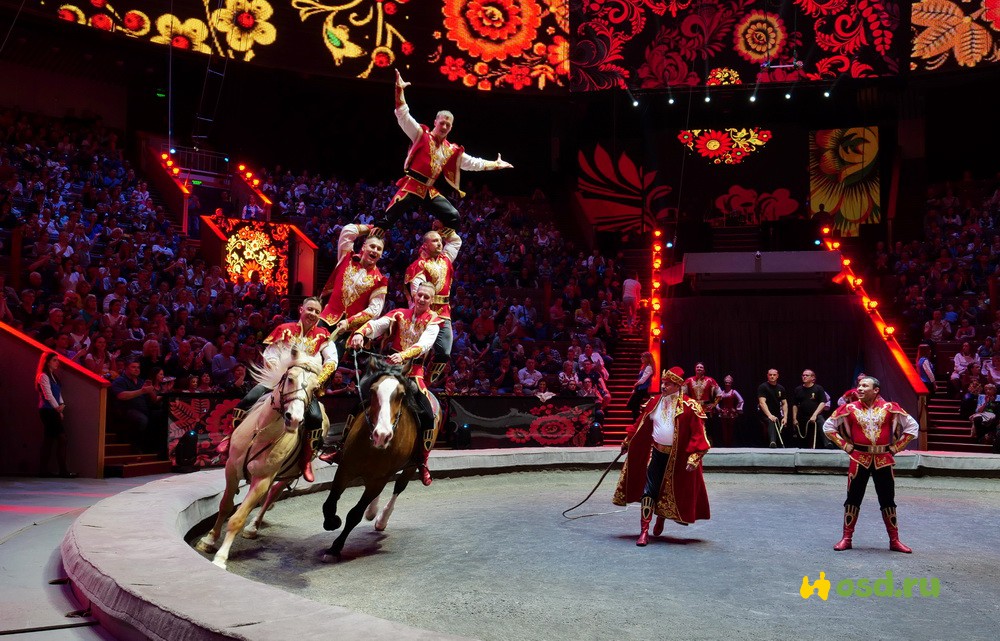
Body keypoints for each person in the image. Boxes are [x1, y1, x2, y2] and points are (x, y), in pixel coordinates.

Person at [377, 70, 513, 232]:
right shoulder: (421, 135)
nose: (444, 127)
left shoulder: (450, 150)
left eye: (448, 125)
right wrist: (399, 91)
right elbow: (403, 115)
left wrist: (495, 164)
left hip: (429, 190)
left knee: (454, 216)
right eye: (442, 123)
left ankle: (438, 248)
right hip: (411, 185)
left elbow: (472, 163)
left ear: (451, 128)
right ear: (435, 122)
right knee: (385, 222)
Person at [232, 297, 338, 483]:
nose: (312, 314)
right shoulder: (285, 329)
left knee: (315, 418)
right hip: (278, 380)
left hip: (304, 386)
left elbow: (332, 361)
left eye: (316, 311)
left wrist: (318, 381)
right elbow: (270, 355)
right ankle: (229, 440)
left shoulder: (323, 335)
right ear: (301, 309)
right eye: (309, 309)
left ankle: (305, 460)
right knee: (248, 399)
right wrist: (280, 374)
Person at [348, 282, 443, 486]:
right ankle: (342, 448)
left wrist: (404, 355)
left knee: (427, 413)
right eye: (420, 295)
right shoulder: (399, 313)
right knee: (362, 397)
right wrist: (360, 333)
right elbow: (378, 324)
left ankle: (423, 462)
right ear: (414, 296)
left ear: (432, 301)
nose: (422, 299)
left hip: (413, 373)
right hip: (390, 369)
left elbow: (425, 343)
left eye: (427, 297)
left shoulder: (434, 321)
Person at [613, 366, 711, 546]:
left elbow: (699, 434)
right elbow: (639, 424)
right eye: (663, 382)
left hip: (678, 458)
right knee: (649, 490)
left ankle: (661, 518)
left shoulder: (690, 406)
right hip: (656, 454)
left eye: (668, 384)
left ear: (678, 385)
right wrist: (628, 441)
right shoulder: (653, 402)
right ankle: (644, 530)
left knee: (669, 492)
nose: (663, 386)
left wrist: (694, 457)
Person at [823, 376, 918, 553]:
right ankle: (847, 538)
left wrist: (895, 448)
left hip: (883, 459)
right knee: (853, 499)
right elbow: (828, 427)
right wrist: (847, 447)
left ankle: (894, 540)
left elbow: (912, 427)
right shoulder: (849, 408)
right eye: (859, 385)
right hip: (859, 458)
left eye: (865, 386)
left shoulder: (890, 407)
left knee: (888, 500)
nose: (859, 388)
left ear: (876, 390)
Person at [405, 227, 460, 383]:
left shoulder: (446, 259)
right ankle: (412, 379)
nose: (440, 244)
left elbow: (456, 241)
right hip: (424, 313)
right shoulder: (418, 265)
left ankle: (427, 383)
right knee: (418, 352)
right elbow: (418, 295)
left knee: (444, 352)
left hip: (444, 313)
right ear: (425, 245)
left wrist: (443, 229)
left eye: (441, 241)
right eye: (435, 240)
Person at [318, 223, 387, 338]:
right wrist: (370, 228)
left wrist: (349, 322)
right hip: (326, 318)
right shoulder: (347, 257)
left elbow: (374, 310)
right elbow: (348, 230)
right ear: (364, 247)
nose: (375, 250)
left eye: (379, 249)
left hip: (349, 331)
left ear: (381, 254)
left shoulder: (380, 280)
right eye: (372, 246)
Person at [36, 352, 76, 477]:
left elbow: (58, 394)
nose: (57, 362)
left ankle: (44, 470)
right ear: (47, 361)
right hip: (47, 411)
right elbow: (48, 395)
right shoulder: (43, 376)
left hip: (53, 410)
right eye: (54, 360)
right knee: (61, 438)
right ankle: (62, 471)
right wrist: (57, 409)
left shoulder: (54, 376)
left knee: (49, 440)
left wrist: (62, 405)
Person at [111, 358, 158, 453]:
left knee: (161, 415)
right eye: (133, 367)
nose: (137, 369)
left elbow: (154, 399)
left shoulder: (141, 381)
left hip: (144, 409)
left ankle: (156, 448)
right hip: (127, 410)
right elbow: (121, 396)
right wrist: (142, 391)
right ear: (126, 368)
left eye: (138, 367)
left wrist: (151, 390)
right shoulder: (120, 380)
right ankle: (134, 446)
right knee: (141, 419)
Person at [791, 369, 830, 449]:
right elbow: (795, 405)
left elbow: (823, 403)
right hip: (802, 416)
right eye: (803, 375)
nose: (804, 377)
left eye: (807, 375)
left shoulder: (818, 388)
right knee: (801, 435)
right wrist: (794, 418)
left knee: (822, 422)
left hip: (815, 415)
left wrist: (814, 415)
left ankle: (827, 443)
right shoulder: (798, 389)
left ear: (813, 378)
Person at [757, 368, 788, 447]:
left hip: (777, 414)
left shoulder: (781, 388)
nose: (772, 376)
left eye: (774, 375)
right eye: (770, 375)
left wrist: (785, 417)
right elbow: (762, 402)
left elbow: (784, 403)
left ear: (777, 376)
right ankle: (772, 442)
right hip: (764, 414)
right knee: (771, 421)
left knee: (781, 422)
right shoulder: (763, 387)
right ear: (767, 376)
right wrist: (769, 415)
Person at [715, 375, 743, 447]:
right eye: (726, 383)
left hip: (732, 413)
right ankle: (725, 444)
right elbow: (717, 401)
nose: (727, 384)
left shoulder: (734, 392)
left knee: (731, 428)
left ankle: (731, 444)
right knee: (724, 428)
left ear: (731, 383)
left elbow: (741, 400)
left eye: (729, 383)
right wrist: (718, 408)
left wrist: (738, 408)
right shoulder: (722, 392)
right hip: (723, 413)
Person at [626, 351, 654, 422]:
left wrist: (636, 384)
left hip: (642, 388)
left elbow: (643, 379)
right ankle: (636, 420)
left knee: (634, 404)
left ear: (647, 358)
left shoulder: (649, 367)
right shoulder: (644, 367)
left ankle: (637, 420)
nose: (641, 358)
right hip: (639, 388)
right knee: (634, 405)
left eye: (643, 357)